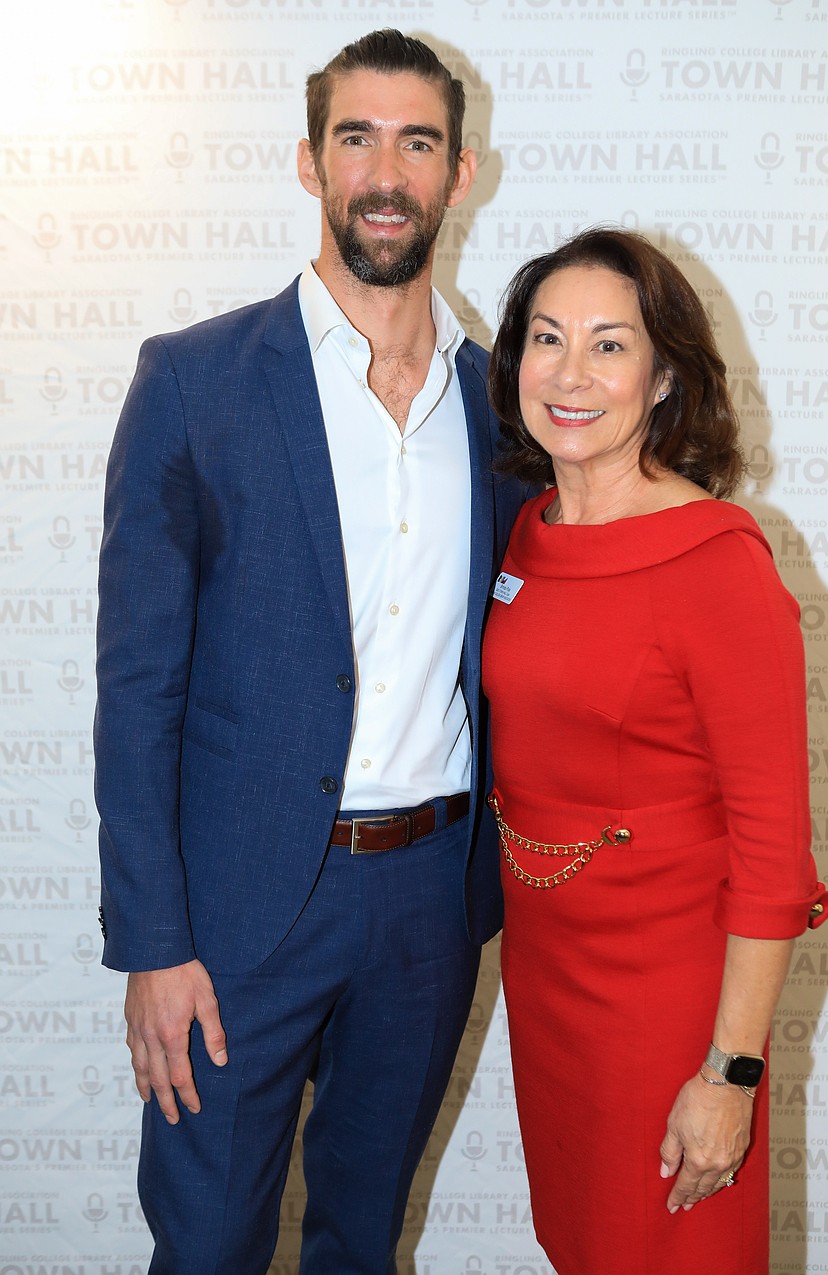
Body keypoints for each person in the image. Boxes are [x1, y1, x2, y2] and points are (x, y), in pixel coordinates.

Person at [94, 29, 526, 1275]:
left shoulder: (501, 406)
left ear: (461, 172)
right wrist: (155, 943)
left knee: (360, 1237)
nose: (385, 171)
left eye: (417, 141)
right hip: (234, 916)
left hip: (429, 903)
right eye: (356, 138)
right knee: (211, 1243)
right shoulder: (193, 382)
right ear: (307, 162)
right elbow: (136, 691)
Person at [482, 227, 828, 1275]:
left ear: (664, 374)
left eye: (608, 344)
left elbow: (775, 858)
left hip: (673, 1003)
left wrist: (731, 1073)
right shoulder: (528, 532)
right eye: (548, 339)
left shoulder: (718, 563)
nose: (571, 373)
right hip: (550, 984)